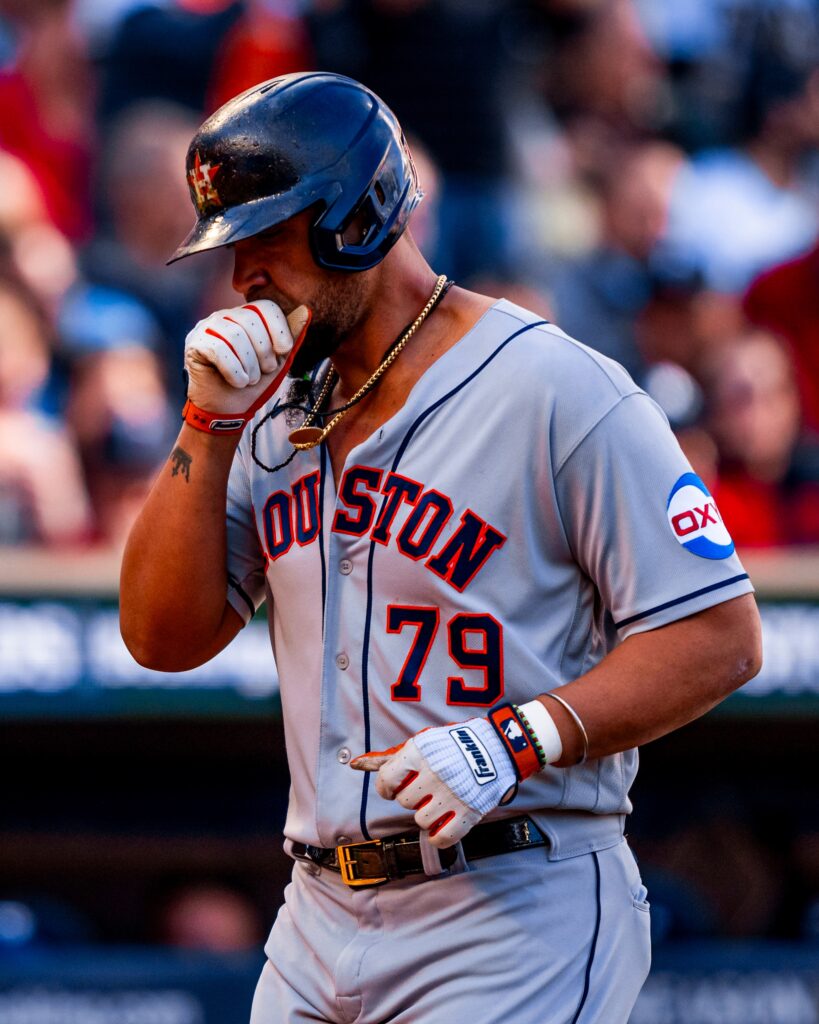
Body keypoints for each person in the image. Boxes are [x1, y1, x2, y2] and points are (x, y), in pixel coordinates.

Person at [120, 72, 762, 1024]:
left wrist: (520, 737)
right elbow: (162, 637)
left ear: (359, 215)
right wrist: (206, 425)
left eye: (268, 236)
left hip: (513, 898)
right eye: (231, 246)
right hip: (315, 909)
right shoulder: (266, 415)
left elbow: (721, 635)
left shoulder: (554, 387)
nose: (243, 274)